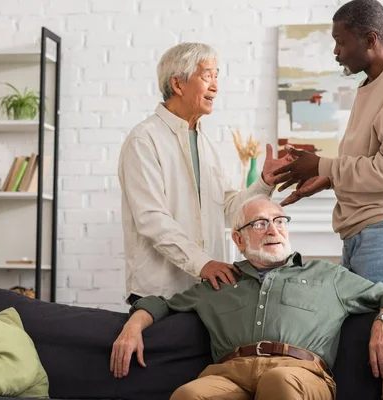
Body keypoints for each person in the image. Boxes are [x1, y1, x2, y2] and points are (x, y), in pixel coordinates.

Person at [110, 196, 383, 400]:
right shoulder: (221, 281)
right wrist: (132, 328)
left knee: (277, 382)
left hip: (299, 374)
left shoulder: (327, 275)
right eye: (260, 223)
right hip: (230, 374)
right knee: (189, 395)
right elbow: (161, 305)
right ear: (239, 239)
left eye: (280, 221)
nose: (273, 229)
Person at [274, 0, 383, 289]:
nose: (336, 51)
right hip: (367, 228)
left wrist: (322, 164)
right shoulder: (372, 84)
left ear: (370, 40)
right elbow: (372, 160)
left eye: (341, 42)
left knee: (381, 328)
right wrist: (326, 179)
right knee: (359, 331)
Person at [119, 43, 291, 303]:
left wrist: (265, 183)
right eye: (207, 76)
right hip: (159, 294)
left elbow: (229, 209)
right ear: (178, 85)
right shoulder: (143, 140)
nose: (215, 86)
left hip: (205, 290)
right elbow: (151, 219)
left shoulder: (205, 143)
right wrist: (203, 264)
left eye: (217, 76)